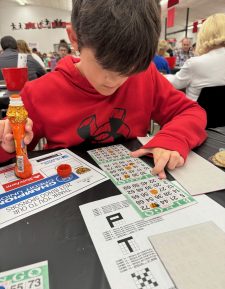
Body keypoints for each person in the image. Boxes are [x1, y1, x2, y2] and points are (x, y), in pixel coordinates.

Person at [0, 0, 207, 179]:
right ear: (74, 38)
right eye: (105, 66)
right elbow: (15, 146)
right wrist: (7, 144)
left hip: (132, 181)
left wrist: (173, 139)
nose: (116, 81)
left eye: (130, 70)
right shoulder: (39, 92)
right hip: (69, 193)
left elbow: (190, 112)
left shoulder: (146, 76)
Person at [166, 13, 225, 101]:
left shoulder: (196, 62)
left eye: (187, 44)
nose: (186, 46)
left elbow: (176, 83)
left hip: (197, 112)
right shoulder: (179, 53)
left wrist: (162, 76)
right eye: (184, 44)